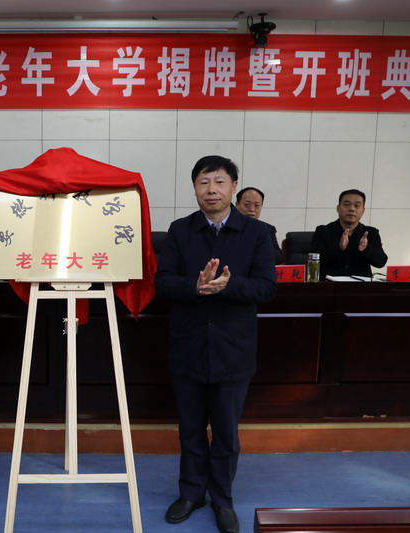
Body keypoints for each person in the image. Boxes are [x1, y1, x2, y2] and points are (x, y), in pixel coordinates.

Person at [155, 155, 277, 533]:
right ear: (194, 188)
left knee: (225, 432)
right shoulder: (180, 230)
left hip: (233, 349)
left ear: (233, 187)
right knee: (190, 429)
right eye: (204, 182)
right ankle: (191, 493)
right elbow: (163, 283)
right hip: (188, 346)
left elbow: (266, 287)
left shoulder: (258, 233)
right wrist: (194, 285)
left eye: (219, 182)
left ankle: (222, 499)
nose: (211, 190)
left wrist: (229, 285)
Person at [310, 189, 388, 280]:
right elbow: (313, 262)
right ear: (338, 208)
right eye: (346, 204)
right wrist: (339, 248)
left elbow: (381, 262)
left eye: (357, 205)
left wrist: (366, 248)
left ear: (363, 211)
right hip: (330, 285)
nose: (352, 209)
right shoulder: (323, 231)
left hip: (361, 286)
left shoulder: (371, 233)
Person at [235, 187, 283, 264]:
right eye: (247, 205)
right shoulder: (227, 226)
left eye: (257, 205)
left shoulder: (267, 229)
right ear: (237, 205)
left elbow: (278, 258)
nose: (252, 209)